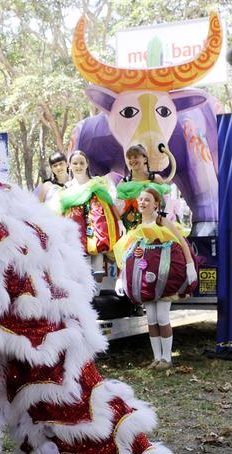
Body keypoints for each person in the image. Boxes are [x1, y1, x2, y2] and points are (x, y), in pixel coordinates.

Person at [114, 188, 198, 369]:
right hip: (146, 281)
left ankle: (167, 358)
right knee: (151, 318)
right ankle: (157, 357)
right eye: (141, 199)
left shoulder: (162, 222)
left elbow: (182, 241)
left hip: (165, 279)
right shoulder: (136, 227)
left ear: (156, 204)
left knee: (161, 316)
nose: (143, 202)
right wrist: (121, 276)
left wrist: (190, 264)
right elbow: (127, 254)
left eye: (147, 200)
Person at [59, 150, 123, 286]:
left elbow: (109, 203)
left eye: (81, 163)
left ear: (87, 164)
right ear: (69, 166)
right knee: (79, 270)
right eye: (75, 163)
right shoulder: (66, 189)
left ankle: (95, 297)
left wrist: (119, 221)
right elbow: (61, 212)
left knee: (97, 268)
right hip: (76, 231)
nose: (78, 166)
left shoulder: (97, 184)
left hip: (96, 230)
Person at [116, 144, 173, 230]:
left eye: (135, 157)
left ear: (145, 159)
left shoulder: (155, 179)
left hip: (153, 225)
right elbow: (118, 206)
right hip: (130, 226)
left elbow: (165, 202)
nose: (132, 160)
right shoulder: (124, 182)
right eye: (130, 158)